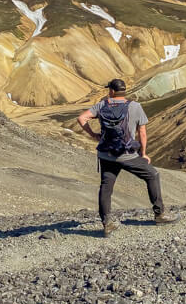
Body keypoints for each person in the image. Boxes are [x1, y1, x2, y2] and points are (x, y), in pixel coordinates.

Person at [76, 78, 180, 236]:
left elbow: (81, 118)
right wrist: (143, 153)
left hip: (106, 155)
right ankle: (160, 214)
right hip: (127, 155)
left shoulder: (102, 105)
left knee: (106, 187)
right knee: (152, 175)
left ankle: (107, 223)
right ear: (124, 91)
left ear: (112, 91)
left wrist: (94, 135)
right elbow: (142, 132)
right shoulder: (135, 106)